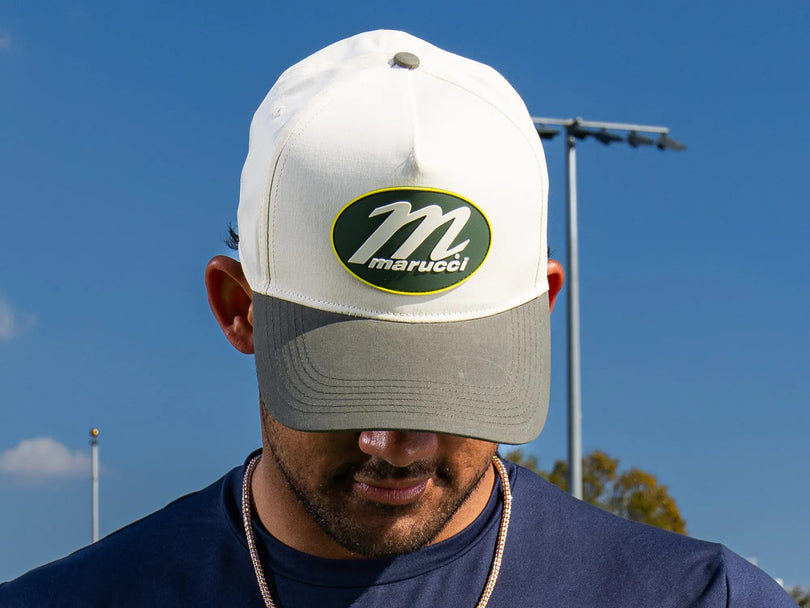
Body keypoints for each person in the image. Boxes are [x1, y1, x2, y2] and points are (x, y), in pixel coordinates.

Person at [0, 30, 793, 608]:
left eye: (449, 382)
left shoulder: (699, 602)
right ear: (239, 309)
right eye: (351, 388)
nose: (396, 446)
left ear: (539, 310)